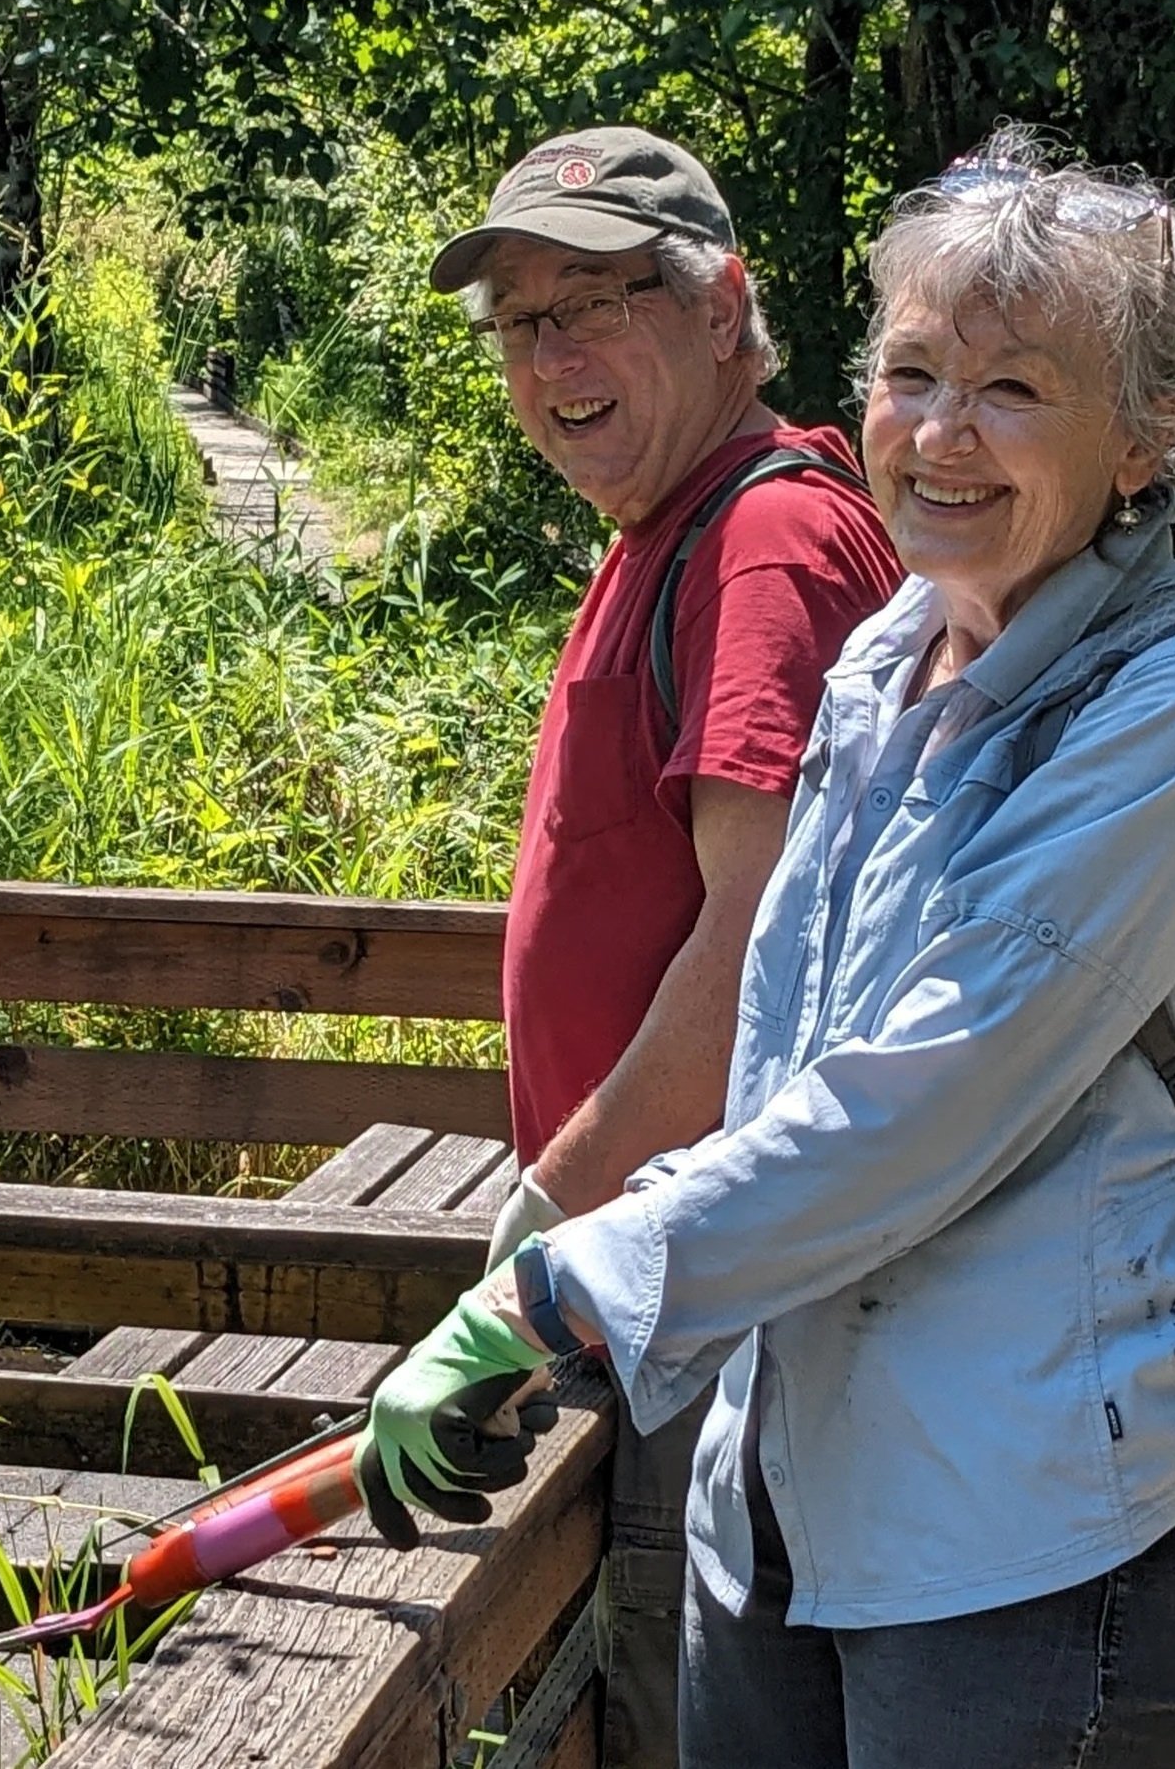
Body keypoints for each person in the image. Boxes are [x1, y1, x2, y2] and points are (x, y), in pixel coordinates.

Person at [355, 125, 1175, 1769]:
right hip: (785, 1483)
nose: (943, 432)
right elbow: (781, 1052)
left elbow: (921, 1097)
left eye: (1015, 389)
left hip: (1023, 1540)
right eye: (914, 370)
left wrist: (561, 1280)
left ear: (1146, 437)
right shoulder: (886, 662)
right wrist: (590, 1277)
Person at [424, 128, 900, 1764]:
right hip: (670, 1280)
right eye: (518, 321)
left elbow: (760, 946)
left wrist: (549, 1216)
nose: (551, 354)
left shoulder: (757, 543)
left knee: (688, 1712)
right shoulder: (676, 522)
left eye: (596, 301)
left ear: (723, 309)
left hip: (706, 1286)